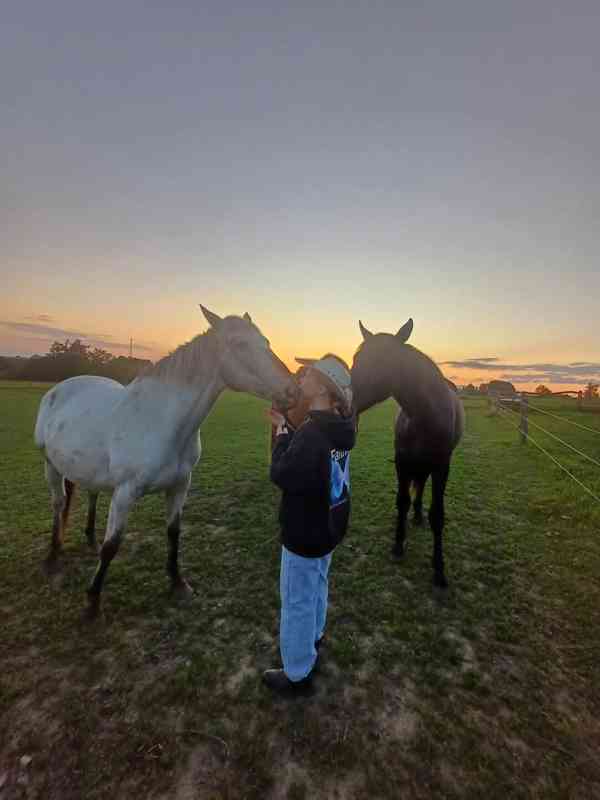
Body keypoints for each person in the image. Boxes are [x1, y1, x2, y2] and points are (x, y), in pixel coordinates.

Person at [264, 354, 356, 693]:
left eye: (308, 375)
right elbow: (311, 465)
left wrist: (280, 432)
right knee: (317, 585)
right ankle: (314, 637)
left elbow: (282, 474)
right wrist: (287, 429)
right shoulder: (338, 428)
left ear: (321, 386)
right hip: (327, 526)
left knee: (297, 598)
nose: (301, 378)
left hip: (304, 529)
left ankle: (297, 673)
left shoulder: (313, 433)